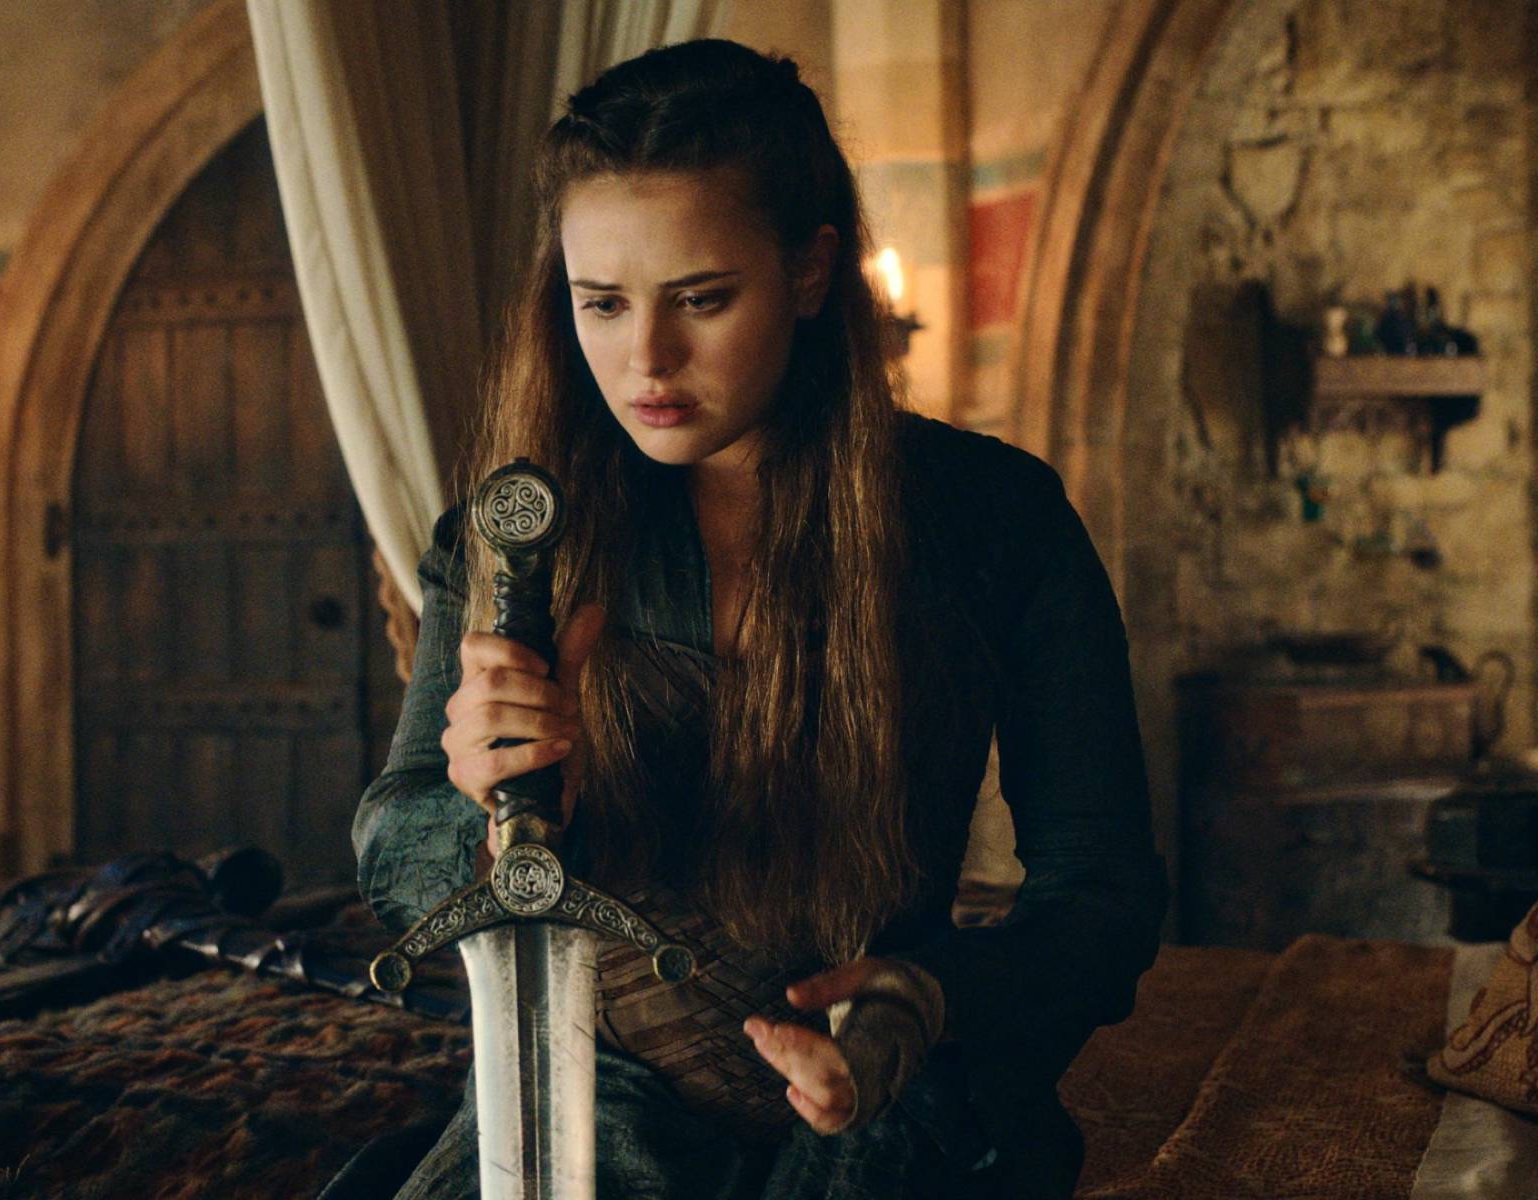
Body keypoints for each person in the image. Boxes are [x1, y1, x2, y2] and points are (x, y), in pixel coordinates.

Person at [347, 38, 1167, 1200]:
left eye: (703, 299)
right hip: (592, 1096)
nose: (647, 358)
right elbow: (391, 853)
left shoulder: (995, 519)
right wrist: (486, 812)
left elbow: (1103, 895)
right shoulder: (512, 542)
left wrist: (926, 1002)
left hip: (890, 1093)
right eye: (602, 304)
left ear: (812, 270)